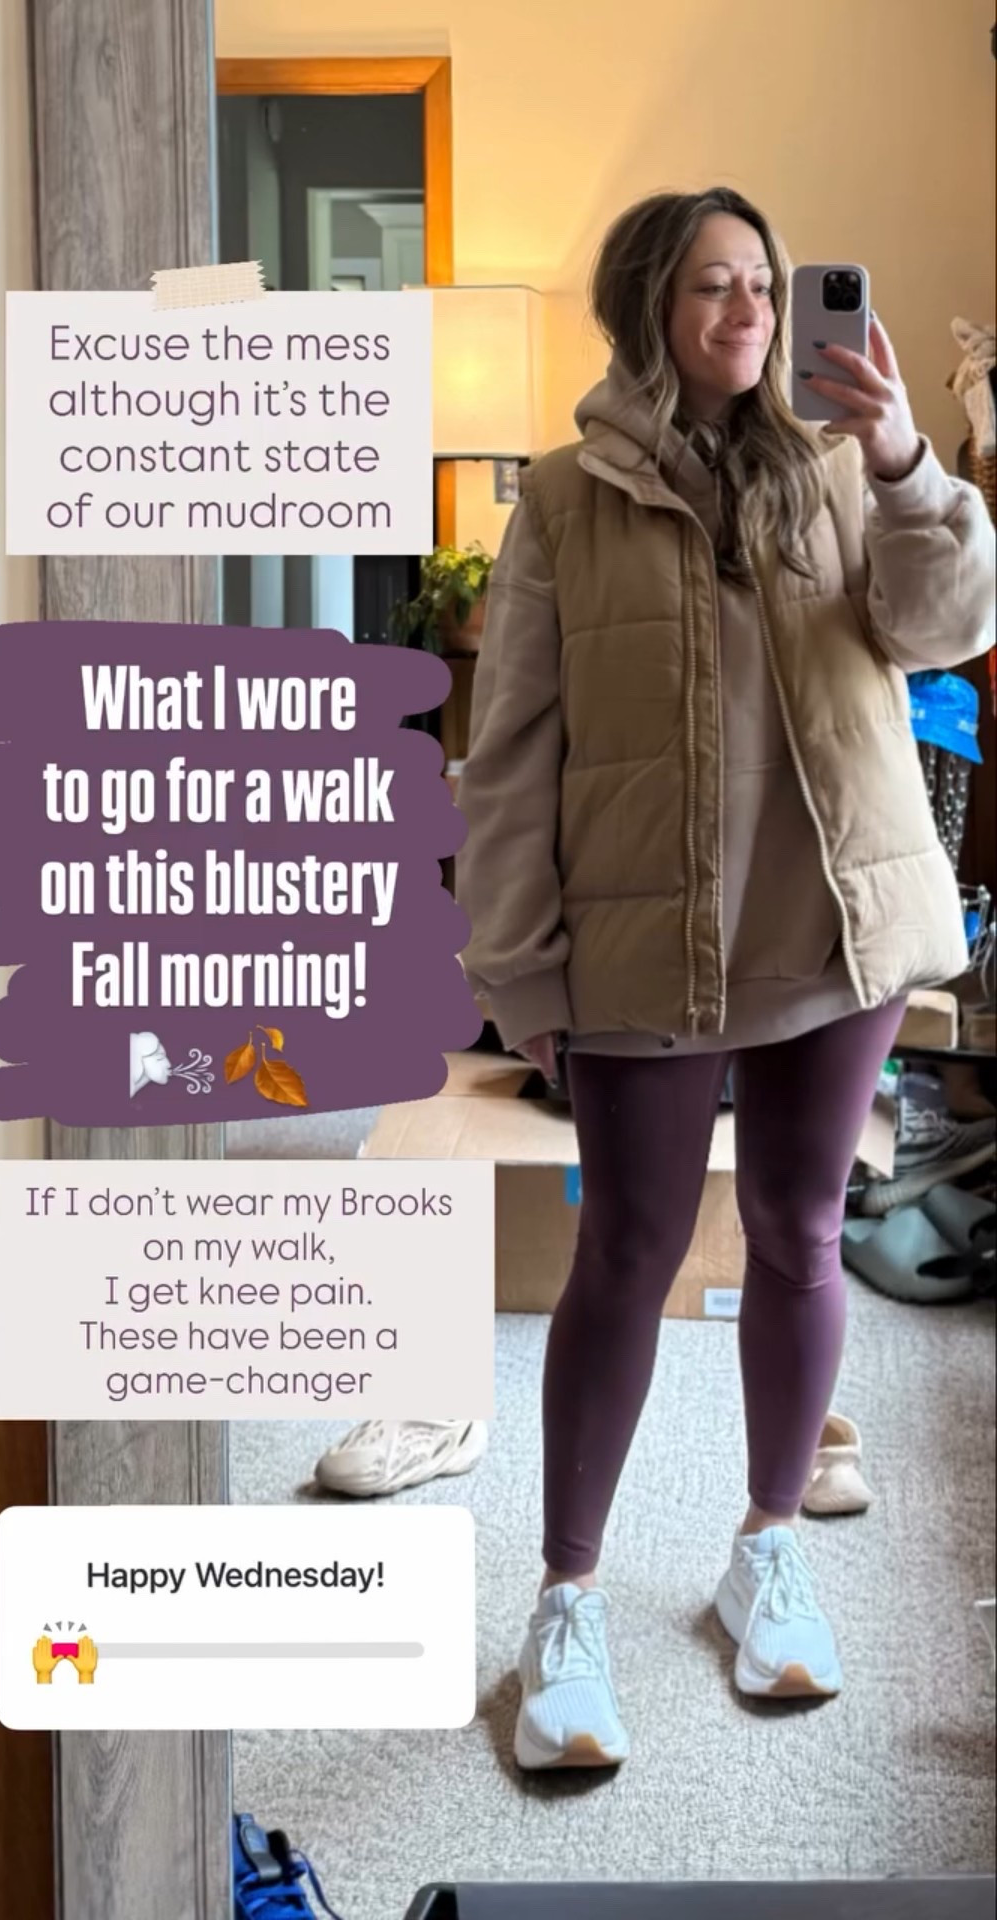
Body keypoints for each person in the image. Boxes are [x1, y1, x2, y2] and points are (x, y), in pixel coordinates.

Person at [454, 186, 996, 1771]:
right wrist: (518, 961)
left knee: (799, 1229)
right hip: (642, 929)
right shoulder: (561, 500)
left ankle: (769, 1548)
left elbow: (947, 632)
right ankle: (567, 1598)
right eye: (713, 287)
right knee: (622, 1254)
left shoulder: (841, 467)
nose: (749, 311)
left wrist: (906, 462)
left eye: (764, 285)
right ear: (650, 306)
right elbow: (510, 755)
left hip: (832, 919)